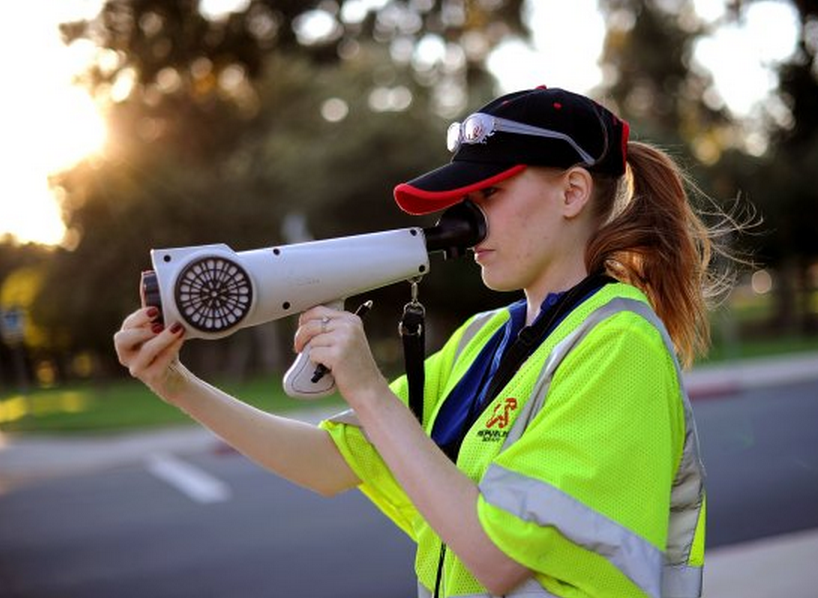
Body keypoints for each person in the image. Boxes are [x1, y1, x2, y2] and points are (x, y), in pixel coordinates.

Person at [115, 86, 726, 598]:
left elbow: (497, 556)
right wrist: (174, 383)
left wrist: (368, 389)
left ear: (572, 192)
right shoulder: (486, 339)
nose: (472, 217)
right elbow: (329, 466)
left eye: (491, 192)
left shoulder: (619, 344)